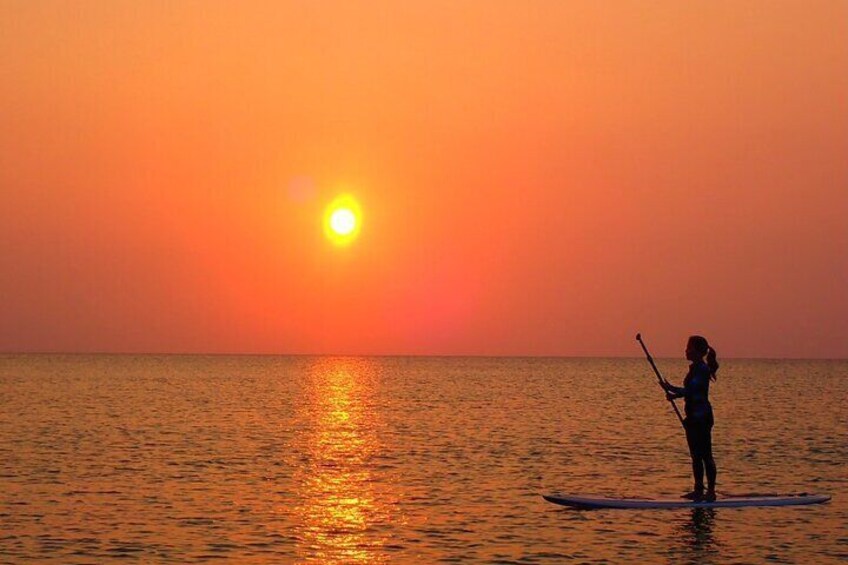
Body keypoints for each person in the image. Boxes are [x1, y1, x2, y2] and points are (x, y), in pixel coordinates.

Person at [662, 336, 719, 501]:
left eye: (689, 347)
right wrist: (673, 395)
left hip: (702, 418)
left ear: (697, 351)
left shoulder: (702, 369)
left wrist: (671, 388)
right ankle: (698, 489)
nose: (686, 350)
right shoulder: (694, 368)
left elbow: (692, 390)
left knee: (705, 455)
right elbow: (690, 391)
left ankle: (711, 492)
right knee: (695, 455)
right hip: (692, 417)